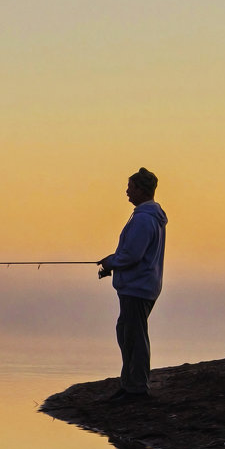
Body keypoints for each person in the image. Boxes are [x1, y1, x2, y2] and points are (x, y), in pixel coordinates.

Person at [97, 168, 167, 404]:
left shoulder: (144, 219)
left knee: (134, 336)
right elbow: (131, 255)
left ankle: (136, 389)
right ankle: (129, 385)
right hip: (140, 285)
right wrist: (111, 264)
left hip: (137, 288)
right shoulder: (147, 217)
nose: (127, 191)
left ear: (140, 189)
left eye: (131, 187)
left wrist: (111, 262)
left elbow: (132, 255)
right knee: (127, 334)